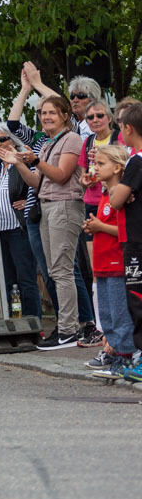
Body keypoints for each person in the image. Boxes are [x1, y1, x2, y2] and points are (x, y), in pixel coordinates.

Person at [6, 95, 84, 349]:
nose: (46, 117)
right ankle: (65, 326)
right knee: (53, 271)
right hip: (47, 206)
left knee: (62, 271)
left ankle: (70, 329)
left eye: (52, 112)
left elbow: (61, 176)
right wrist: (18, 163)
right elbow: (37, 182)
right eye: (43, 113)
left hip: (64, 205)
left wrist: (35, 160)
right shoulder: (48, 144)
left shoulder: (71, 139)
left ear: (64, 115)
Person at [81, 144, 135, 379]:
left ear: (117, 168)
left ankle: (125, 356)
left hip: (116, 264)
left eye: (101, 164)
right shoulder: (104, 194)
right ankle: (113, 353)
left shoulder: (122, 197)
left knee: (120, 313)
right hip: (102, 265)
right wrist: (94, 227)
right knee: (106, 314)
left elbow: (124, 230)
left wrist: (100, 227)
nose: (95, 168)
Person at [0, 124, 42, 319]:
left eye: (3, 139)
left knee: (26, 278)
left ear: (13, 140)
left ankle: (34, 321)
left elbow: (39, 184)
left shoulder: (24, 160)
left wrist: (29, 200)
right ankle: (14, 320)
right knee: (9, 279)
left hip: (19, 228)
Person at [109, 103, 142, 382]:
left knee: (138, 298)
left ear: (128, 129)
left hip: (137, 240)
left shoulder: (136, 160)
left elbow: (116, 199)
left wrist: (119, 185)